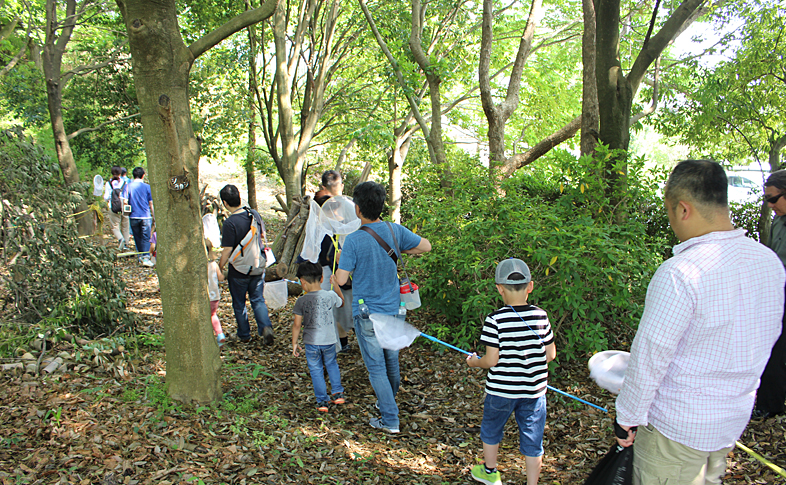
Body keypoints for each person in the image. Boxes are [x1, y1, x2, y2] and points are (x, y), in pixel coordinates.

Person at [614, 160, 785, 485]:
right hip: (730, 424)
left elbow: (651, 355)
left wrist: (628, 417)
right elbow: (769, 336)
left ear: (683, 209)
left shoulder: (681, 272)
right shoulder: (768, 263)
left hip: (674, 429)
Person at [335, 181, 431, 434]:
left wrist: (339, 264)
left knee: (376, 368)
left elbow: (342, 280)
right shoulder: (394, 230)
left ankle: (390, 419)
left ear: (357, 209)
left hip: (366, 313)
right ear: (381, 206)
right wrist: (401, 247)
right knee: (392, 364)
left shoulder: (353, 240)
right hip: (394, 309)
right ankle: (387, 405)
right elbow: (426, 246)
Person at [466, 258, 556, 485]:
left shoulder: (495, 320)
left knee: (491, 429)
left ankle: (490, 473)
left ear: (499, 288)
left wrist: (475, 362)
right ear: (530, 286)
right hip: (534, 392)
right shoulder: (541, 316)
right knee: (533, 439)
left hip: (501, 392)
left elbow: (491, 360)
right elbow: (550, 355)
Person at [218, 184, 275, 345]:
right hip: (258, 266)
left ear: (225, 203)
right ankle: (266, 327)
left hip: (239, 270)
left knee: (239, 303)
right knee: (257, 299)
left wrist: (219, 267)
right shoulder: (254, 215)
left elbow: (227, 250)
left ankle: (244, 334)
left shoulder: (229, 223)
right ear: (239, 197)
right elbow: (262, 235)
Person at [292, 261, 346, 412]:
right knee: (331, 364)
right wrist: (335, 284)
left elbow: (297, 325)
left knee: (316, 370)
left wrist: (294, 342)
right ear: (322, 278)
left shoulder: (301, 301)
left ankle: (322, 401)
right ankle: (337, 393)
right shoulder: (329, 295)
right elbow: (341, 302)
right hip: (329, 340)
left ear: (302, 282)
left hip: (311, 342)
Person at [754, 170, 786, 419]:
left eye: (773, 199)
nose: (771, 205)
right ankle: (770, 403)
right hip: (777, 296)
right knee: (772, 349)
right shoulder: (777, 221)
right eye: (767, 200)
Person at [317, 170, 353, 353]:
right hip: (352, 267)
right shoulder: (353, 207)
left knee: (332, 307)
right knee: (350, 304)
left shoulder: (320, 209)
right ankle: (348, 341)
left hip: (329, 268)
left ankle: (338, 344)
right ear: (342, 186)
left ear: (323, 188)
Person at [123, 167, 155, 267]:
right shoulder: (147, 187)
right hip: (145, 216)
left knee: (137, 236)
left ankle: (140, 256)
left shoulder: (128, 186)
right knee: (145, 237)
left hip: (133, 216)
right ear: (143, 175)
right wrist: (154, 216)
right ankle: (145, 257)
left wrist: (125, 213)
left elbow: (124, 201)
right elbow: (151, 203)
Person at [102, 166, 130, 250]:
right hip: (125, 206)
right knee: (125, 225)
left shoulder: (108, 183)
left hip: (113, 206)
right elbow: (128, 195)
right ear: (120, 173)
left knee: (115, 226)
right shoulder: (125, 183)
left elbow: (106, 197)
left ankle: (120, 239)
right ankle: (126, 244)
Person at [207, 238, 226, 347]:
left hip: (205, 297)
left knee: (206, 316)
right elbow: (221, 277)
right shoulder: (213, 264)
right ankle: (220, 334)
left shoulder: (198, 267)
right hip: (215, 296)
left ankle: (213, 336)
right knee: (213, 315)